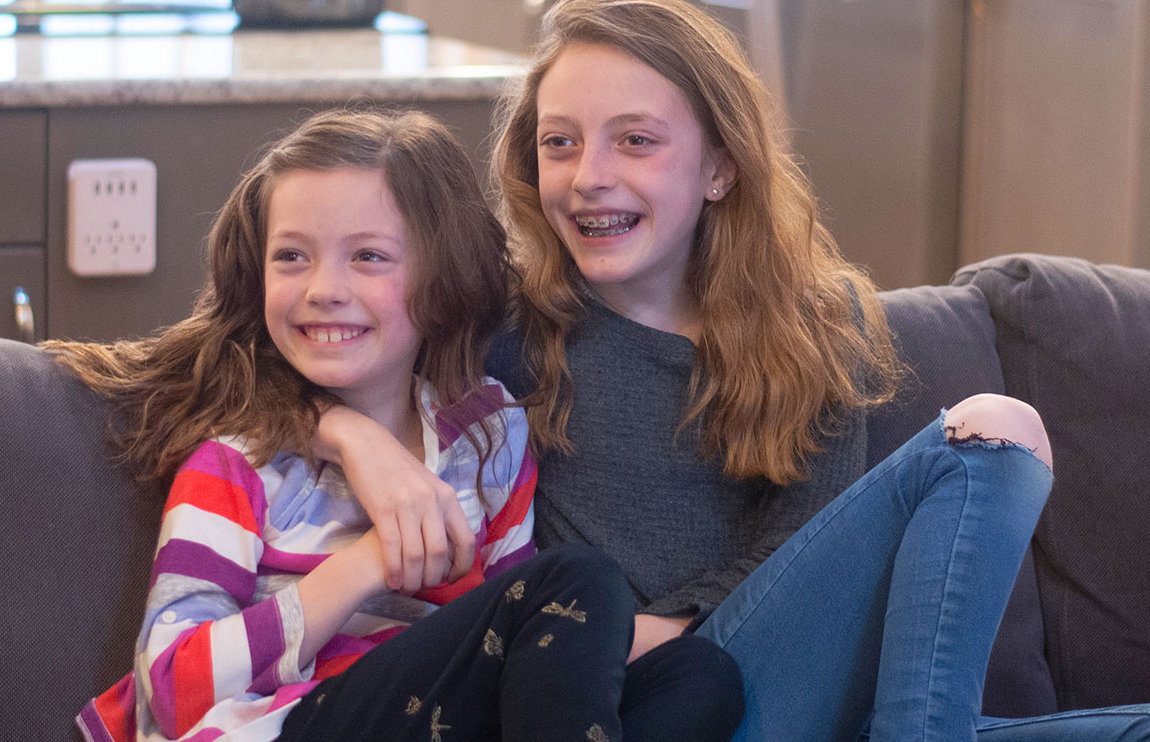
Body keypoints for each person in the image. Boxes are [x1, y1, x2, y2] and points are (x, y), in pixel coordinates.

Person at [317, 0, 1150, 741]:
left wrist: (662, 630)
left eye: (635, 140)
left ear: (719, 167)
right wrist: (356, 435)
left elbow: (797, 556)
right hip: (618, 694)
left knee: (1009, 454)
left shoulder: (820, 324)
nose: (588, 174)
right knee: (996, 431)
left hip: (753, 665)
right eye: (560, 142)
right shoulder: (509, 321)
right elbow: (231, 366)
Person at [52, 108, 746, 742]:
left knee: (699, 676)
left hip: (435, 720)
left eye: (369, 255)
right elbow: (169, 690)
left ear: (440, 280)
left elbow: (524, 643)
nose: (324, 287)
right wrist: (368, 564)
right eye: (291, 255)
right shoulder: (236, 463)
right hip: (286, 727)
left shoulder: (488, 435)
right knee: (583, 578)